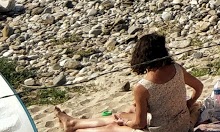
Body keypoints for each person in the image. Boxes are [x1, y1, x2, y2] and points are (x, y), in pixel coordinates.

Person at [55, 32, 203, 132]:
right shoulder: (177, 69)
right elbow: (199, 86)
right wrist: (189, 102)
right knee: (120, 114)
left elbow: (140, 123)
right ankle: (73, 123)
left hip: (162, 130)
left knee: (113, 126)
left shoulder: (143, 87)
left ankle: (77, 127)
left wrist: (126, 124)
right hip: (183, 126)